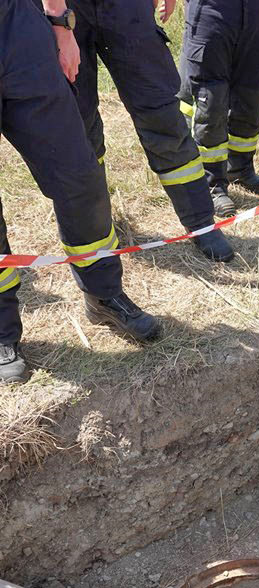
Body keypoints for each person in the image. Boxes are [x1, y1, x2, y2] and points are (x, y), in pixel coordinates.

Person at [0, 0, 159, 385]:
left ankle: (102, 294)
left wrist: (60, 23)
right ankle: (2, 330)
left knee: (80, 175)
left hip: (19, 29)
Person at [67, 0, 233, 262]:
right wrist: (56, 18)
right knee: (78, 123)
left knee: (162, 113)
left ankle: (201, 223)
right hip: (65, 11)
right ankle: (95, 229)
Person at [178, 0, 259, 218]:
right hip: (212, 12)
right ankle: (211, 183)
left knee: (251, 94)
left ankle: (240, 168)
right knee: (210, 100)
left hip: (256, 12)